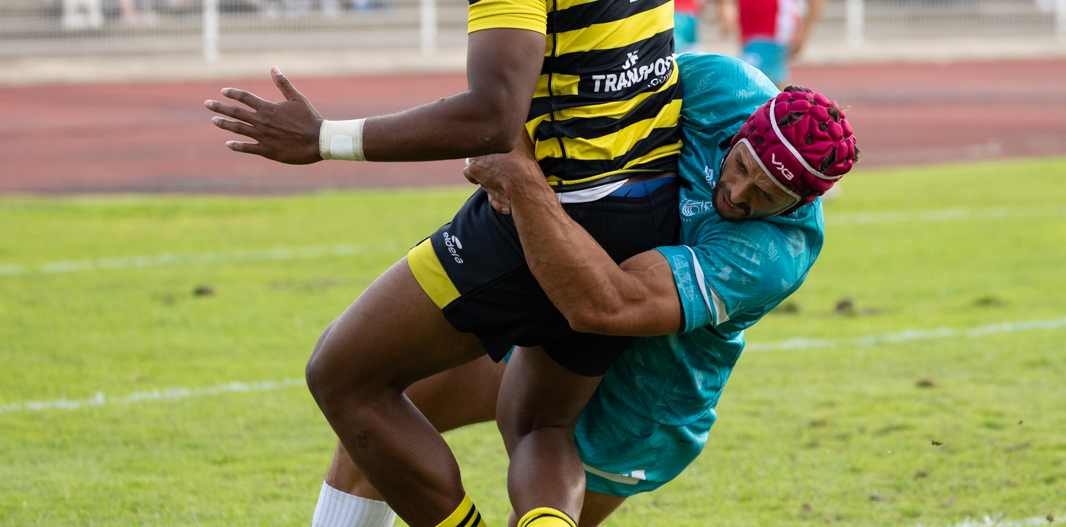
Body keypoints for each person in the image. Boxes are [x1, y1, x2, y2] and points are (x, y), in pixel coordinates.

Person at [207, 0, 684, 527]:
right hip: (638, 214)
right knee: (538, 420)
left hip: (546, 215)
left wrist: (322, 137)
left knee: (343, 376)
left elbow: (492, 118)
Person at [309, 53, 857, 527]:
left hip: (644, 387)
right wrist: (507, 129)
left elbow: (607, 306)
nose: (738, 194)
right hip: (573, 291)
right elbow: (597, 95)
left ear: (801, 203)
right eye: (740, 167)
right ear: (745, 128)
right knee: (373, 418)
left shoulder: (773, 254)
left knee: (536, 485)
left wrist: (523, 178)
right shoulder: (724, 84)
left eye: (766, 196)